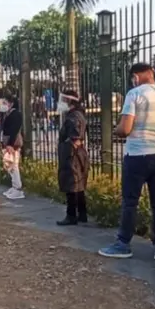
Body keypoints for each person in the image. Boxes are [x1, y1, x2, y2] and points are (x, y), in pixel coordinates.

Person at [99, 63, 155, 260]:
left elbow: (125, 129)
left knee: (130, 202)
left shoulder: (135, 94)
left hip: (137, 155)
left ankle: (123, 244)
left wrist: (116, 129)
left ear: (135, 76)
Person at [56, 90, 89, 226]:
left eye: (64, 100)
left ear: (70, 101)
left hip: (72, 155)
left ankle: (71, 215)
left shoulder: (74, 117)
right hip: (74, 154)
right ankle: (82, 213)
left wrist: (68, 148)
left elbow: (76, 137)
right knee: (77, 184)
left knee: (72, 184)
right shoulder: (75, 115)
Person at [0, 94, 24, 199]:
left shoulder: (16, 114)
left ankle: (18, 188)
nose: (3, 105)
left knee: (13, 165)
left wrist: (10, 144)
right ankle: (14, 186)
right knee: (10, 165)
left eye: (5, 103)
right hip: (8, 142)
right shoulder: (8, 114)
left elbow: (14, 130)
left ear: (11, 103)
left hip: (13, 143)